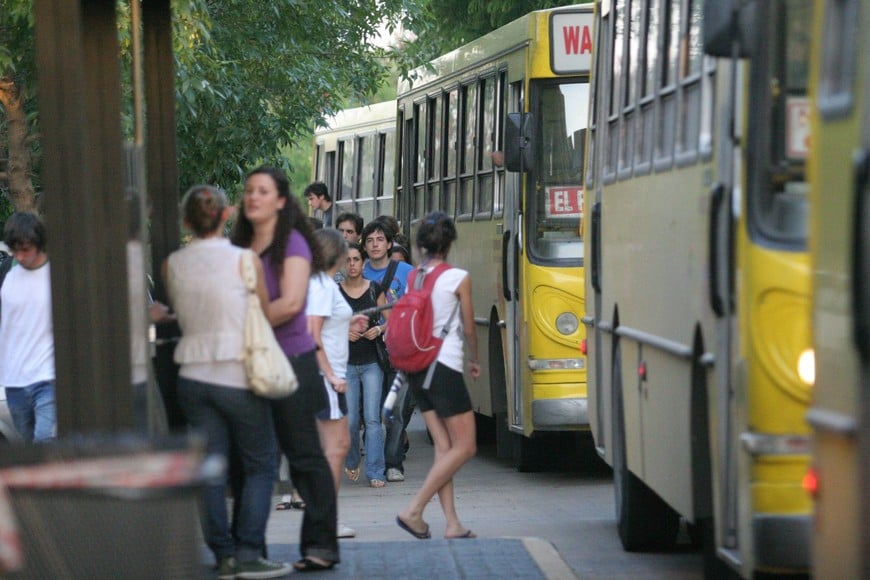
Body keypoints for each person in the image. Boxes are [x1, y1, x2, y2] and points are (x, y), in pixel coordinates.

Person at [164, 185, 291, 579]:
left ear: (187, 221)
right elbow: (264, 313)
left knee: (212, 470)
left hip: (192, 376)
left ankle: (223, 556)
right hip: (238, 374)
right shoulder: (245, 260)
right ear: (226, 215)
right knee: (261, 465)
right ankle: (250, 550)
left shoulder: (173, 264)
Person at [231, 166, 339, 572]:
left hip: (290, 362)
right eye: (249, 191)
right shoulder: (239, 244)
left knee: (304, 458)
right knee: (251, 461)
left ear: (280, 200)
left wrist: (243, 328)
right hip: (249, 364)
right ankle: (248, 549)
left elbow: (292, 304)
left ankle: (321, 546)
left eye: (262, 191)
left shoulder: (292, 243)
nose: (253, 197)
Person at [396, 211, 480, 541]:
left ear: (420, 245)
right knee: (466, 446)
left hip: (417, 367)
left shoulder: (413, 277)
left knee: (444, 446)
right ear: (450, 242)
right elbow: (470, 327)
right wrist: (475, 359)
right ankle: (414, 509)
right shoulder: (458, 277)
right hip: (443, 367)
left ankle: (452, 523)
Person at [306, 229, 367, 538]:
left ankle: (325, 516)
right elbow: (312, 334)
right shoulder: (322, 286)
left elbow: (324, 329)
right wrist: (331, 375)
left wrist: (348, 322)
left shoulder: (323, 284)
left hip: (329, 375)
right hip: (327, 378)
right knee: (335, 447)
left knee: (336, 446)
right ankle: (325, 519)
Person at [362, 218, 414, 482]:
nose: (375, 245)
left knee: (393, 411)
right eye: (370, 240)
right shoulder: (357, 271)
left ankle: (394, 462)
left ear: (389, 243)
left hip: (399, 350)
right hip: (367, 351)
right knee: (370, 412)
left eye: (380, 239)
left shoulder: (406, 271)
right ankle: (374, 460)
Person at [0, 212, 56, 443]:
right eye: (15, 250)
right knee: (28, 449)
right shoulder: (7, 274)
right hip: (14, 381)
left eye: (26, 249)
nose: (20, 257)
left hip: (47, 376)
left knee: (45, 443)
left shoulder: (56, 275)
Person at [339, 242, 388, 488]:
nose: (352, 264)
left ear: (363, 261)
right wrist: (343, 332)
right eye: (347, 260)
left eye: (356, 259)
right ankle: (351, 460)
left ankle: (376, 471)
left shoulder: (374, 288)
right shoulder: (336, 292)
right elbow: (323, 325)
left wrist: (378, 328)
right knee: (348, 420)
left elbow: (392, 317)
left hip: (371, 363)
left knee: (372, 418)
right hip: (345, 364)